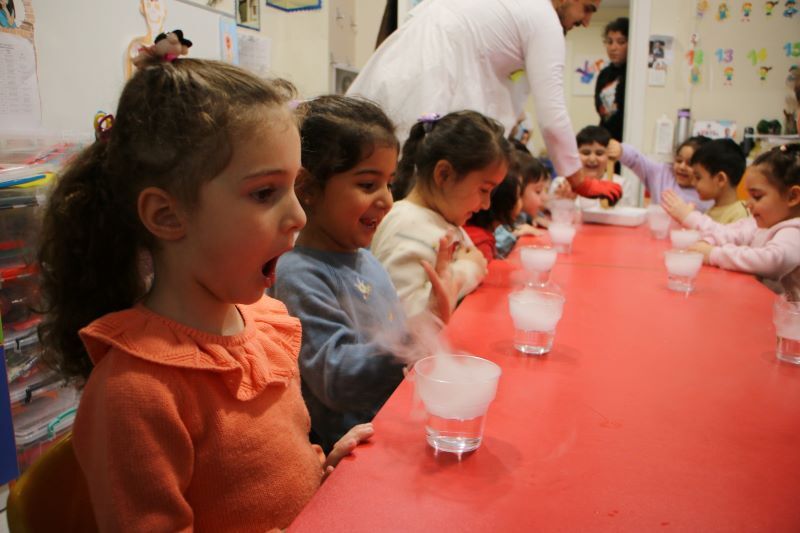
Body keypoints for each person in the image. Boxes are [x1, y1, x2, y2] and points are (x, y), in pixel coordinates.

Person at [36, 55, 372, 531]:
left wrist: (323, 474)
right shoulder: (136, 393)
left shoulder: (266, 329)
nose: (299, 215)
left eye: (295, 187)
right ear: (168, 216)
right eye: (264, 193)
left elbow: (272, 473)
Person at [347, 0, 622, 204]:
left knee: (379, 158)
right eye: (587, 8)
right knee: (411, 175)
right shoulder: (544, 18)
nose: (586, 21)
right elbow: (552, 114)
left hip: (418, 54)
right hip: (433, 63)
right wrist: (579, 181)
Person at [272, 96, 422, 453]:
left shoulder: (364, 258)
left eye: (389, 182)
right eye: (368, 185)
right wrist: (404, 348)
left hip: (389, 425)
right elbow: (334, 378)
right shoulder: (299, 274)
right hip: (351, 451)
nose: (386, 199)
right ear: (307, 188)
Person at [371, 111, 510, 321]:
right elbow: (400, 320)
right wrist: (466, 271)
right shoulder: (406, 226)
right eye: (484, 190)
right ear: (444, 174)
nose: (486, 204)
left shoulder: (442, 218)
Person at [661, 144, 800, 300]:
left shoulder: (793, 231)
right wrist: (705, 243)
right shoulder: (759, 224)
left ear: (792, 197)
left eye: (757, 196)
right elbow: (729, 233)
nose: (748, 203)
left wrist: (714, 254)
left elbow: (771, 261)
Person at [608, 136, 714, 209]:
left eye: (690, 163)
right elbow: (637, 160)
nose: (682, 167)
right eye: (678, 160)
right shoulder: (662, 173)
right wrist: (622, 150)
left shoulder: (709, 192)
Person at [552, 125, 638, 207]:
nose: (592, 159)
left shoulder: (622, 185)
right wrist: (565, 204)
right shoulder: (562, 184)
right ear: (575, 155)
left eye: (599, 153)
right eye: (586, 153)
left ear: (609, 156)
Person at [495, 150, 549, 258]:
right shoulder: (499, 221)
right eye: (538, 191)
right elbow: (496, 246)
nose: (545, 197)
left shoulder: (523, 215)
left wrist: (536, 217)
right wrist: (514, 235)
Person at [465, 171, 526, 262]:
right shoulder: (482, 243)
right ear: (504, 204)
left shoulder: (476, 231)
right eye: (518, 197)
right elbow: (487, 274)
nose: (522, 202)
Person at [690, 138, 749, 223]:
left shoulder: (739, 214)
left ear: (721, 179)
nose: (693, 183)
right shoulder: (710, 211)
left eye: (698, 177)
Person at [595, 17, 628, 142]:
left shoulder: (633, 74)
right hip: (606, 138)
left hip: (626, 138)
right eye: (609, 42)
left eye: (621, 42)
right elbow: (599, 108)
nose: (613, 48)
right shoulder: (604, 74)